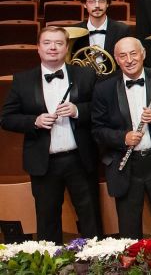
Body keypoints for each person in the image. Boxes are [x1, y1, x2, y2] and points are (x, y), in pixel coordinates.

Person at [0, 26, 99, 242]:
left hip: (80, 160)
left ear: (66, 48)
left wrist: (78, 110)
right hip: (44, 163)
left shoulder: (85, 75)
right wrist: (34, 121)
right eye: (47, 43)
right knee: (47, 223)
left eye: (58, 43)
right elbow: (6, 118)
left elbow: (102, 110)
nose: (52, 47)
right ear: (38, 48)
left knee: (90, 219)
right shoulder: (22, 80)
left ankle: (94, 261)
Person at [91, 37, 151, 238]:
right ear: (116, 59)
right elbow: (97, 130)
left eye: (133, 53)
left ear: (143, 54)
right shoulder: (103, 88)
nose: (129, 60)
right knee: (129, 230)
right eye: (123, 56)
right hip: (125, 166)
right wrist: (123, 138)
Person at [72, 0, 131, 78]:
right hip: (83, 82)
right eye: (92, 1)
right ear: (85, 4)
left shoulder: (122, 30)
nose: (97, 5)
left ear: (107, 4)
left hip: (113, 81)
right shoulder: (75, 31)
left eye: (101, 1)